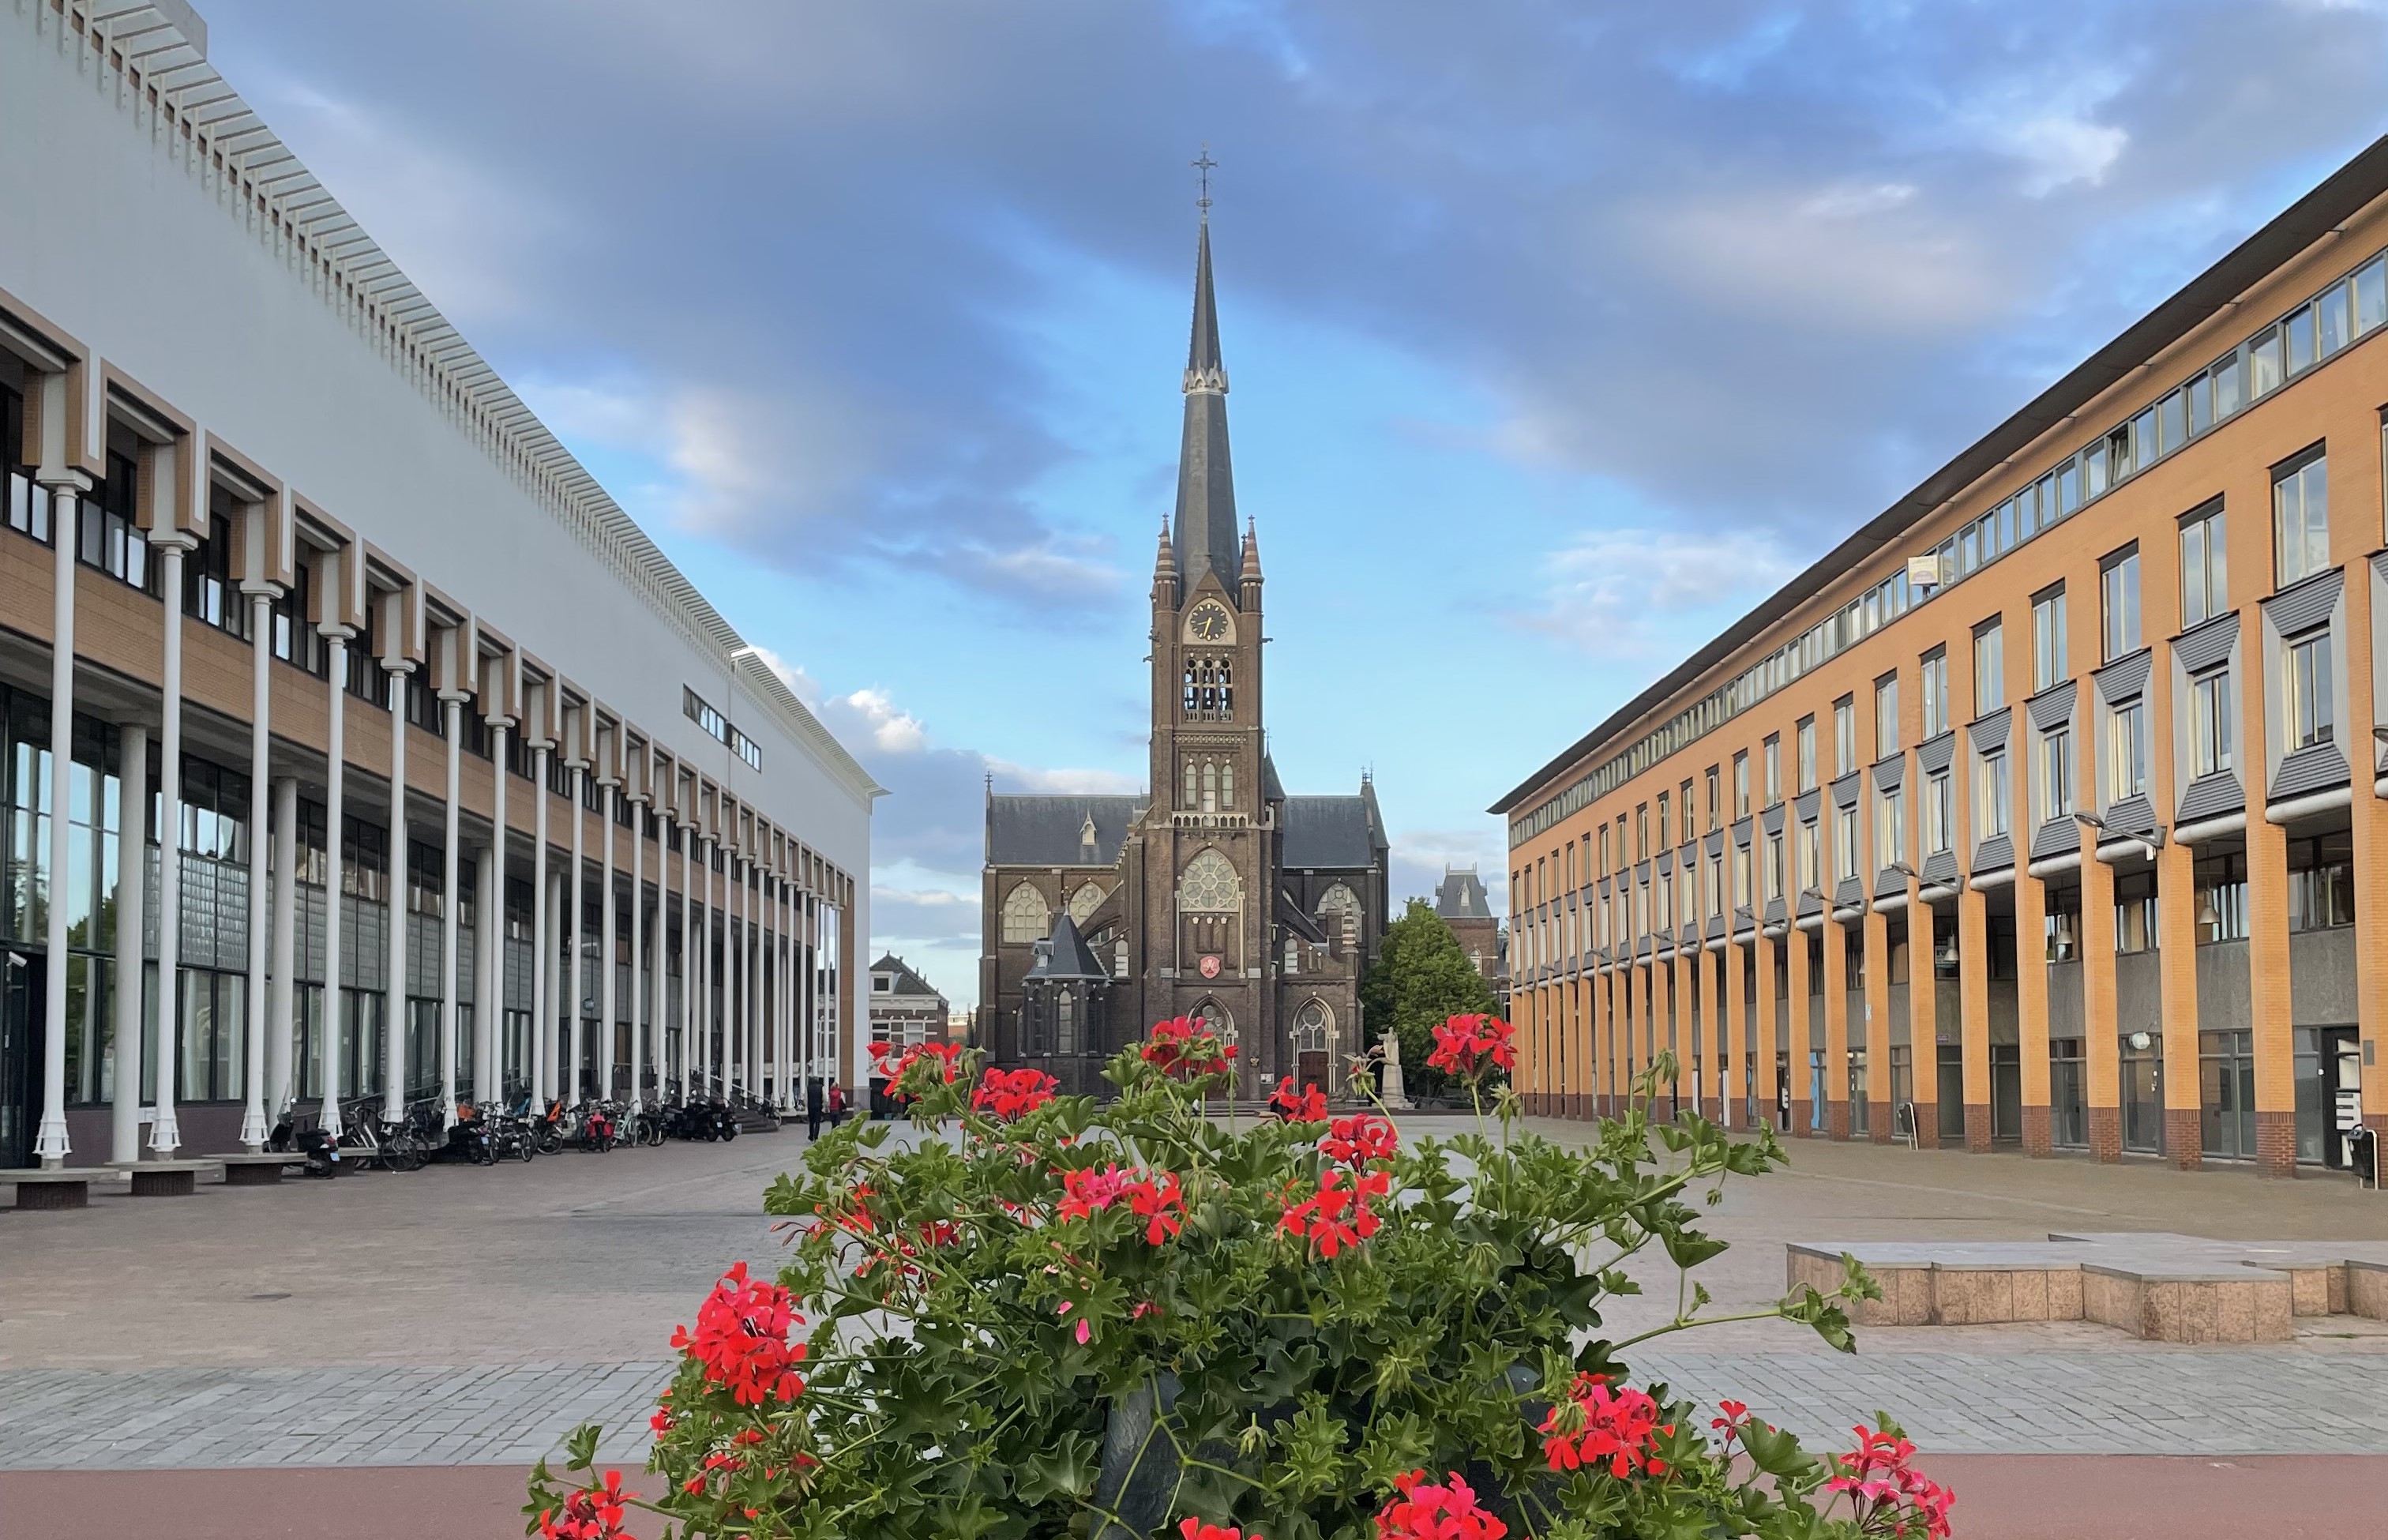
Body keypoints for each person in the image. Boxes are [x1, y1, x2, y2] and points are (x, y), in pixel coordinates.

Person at [806, 1076, 822, 1141]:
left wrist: (806, 1106)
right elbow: (824, 1097)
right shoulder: (821, 1087)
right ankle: (816, 1136)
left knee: (811, 1122)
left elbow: (806, 1098)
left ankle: (811, 1135)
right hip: (818, 1106)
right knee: (818, 1122)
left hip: (811, 1106)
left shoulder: (808, 1088)